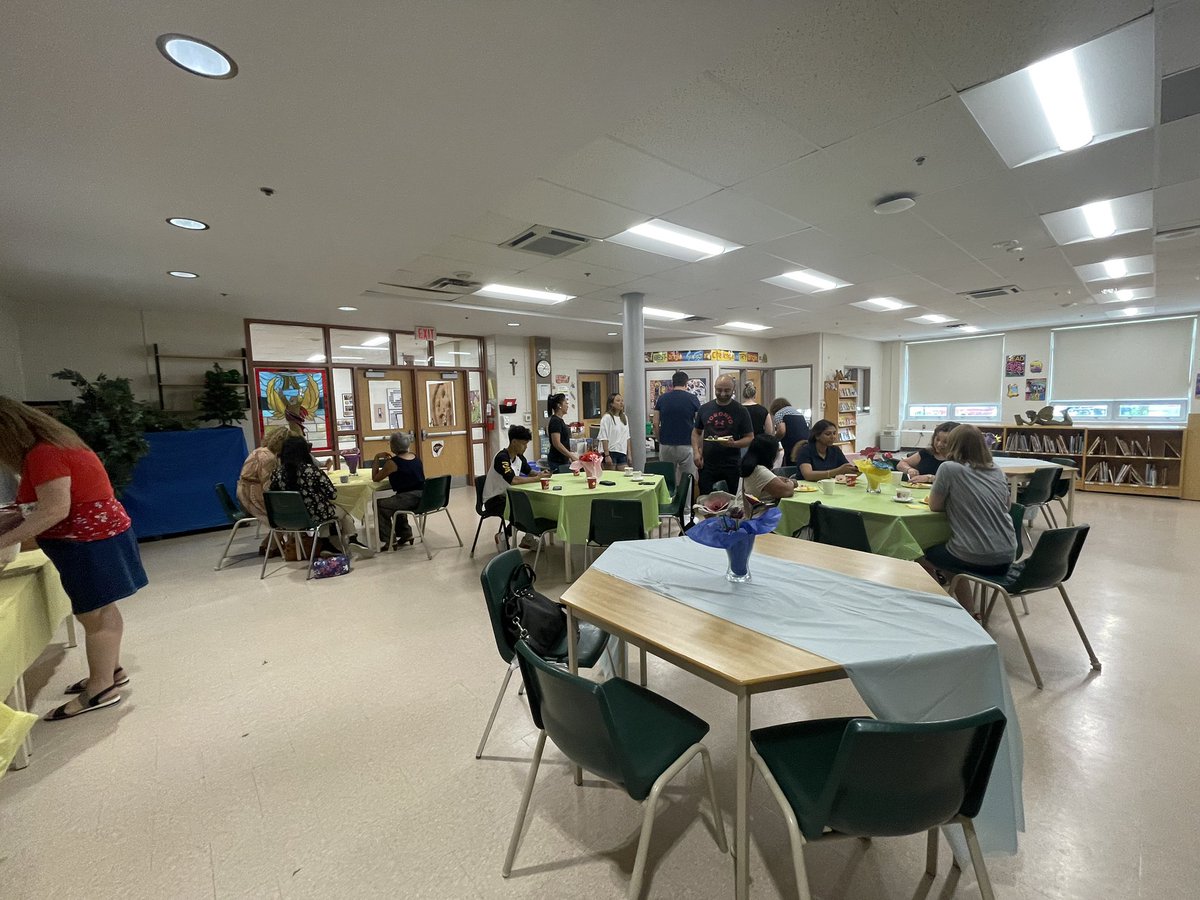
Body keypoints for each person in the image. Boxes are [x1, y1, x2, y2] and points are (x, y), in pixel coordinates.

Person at [0, 397, 147, 721]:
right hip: (94, 539)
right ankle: (109, 671)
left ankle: (101, 689)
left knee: (95, 615)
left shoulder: (45, 453)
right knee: (98, 611)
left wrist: (5, 540)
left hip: (88, 543)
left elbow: (54, 509)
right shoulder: (58, 445)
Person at [920, 424, 1018, 611]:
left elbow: (935, 505)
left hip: (974, 557)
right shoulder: (996, 470)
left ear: (954, 444)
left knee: (916, 552)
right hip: (1007, 555)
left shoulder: (949, 468)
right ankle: (969, 610)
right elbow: (1007, 506)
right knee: (952, 553)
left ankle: (944, 604)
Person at [269, 436, 363, 553]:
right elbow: (332, 494)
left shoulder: (276, 474)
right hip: (314, 515)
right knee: (341, 511)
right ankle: (350, 539)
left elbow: (273, 492)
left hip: (285, 518)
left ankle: (328, 544)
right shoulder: (312, 471)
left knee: (326, 512)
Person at [692, 375, 753, 495]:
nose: (723, 393)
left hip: (731, 465)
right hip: (708, 464)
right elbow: (696, 432)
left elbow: (750, 438)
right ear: (714, 388)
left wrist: (734, 444)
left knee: (730, 500)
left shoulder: (741, 410)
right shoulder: (704, 408)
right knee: (705, 499)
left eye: (727, 390)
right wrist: (696, 452)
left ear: (733, 390)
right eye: (719, 390)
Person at [482, 424, 542, 545]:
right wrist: (536, 479)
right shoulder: (502, 458)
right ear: (514, 442)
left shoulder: (519, 457)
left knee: (532, 505)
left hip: (507, 496)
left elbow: (530, 472)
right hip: (494, 500)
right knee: (522, 509)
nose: (526, 447)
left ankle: (527, 539)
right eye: (523, 444)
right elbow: (513, 480)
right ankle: (504, 536)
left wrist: (542, 475)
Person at [236, 425, 289, 555]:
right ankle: (271, 548)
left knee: (282, 514)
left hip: (244, 490)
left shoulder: (259, 451)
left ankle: (266, 545)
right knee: (285, 516)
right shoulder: (268, 457)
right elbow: (267, 485)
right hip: (253, 494)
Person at [372, 431, 424, 550]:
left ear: (393, 446)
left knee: (380, 505)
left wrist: (376, 458)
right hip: (423, 497)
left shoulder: (392, 463)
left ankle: (389, 540)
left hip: (409, 499)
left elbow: (375, 478)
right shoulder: (416, 458)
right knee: (396, 500)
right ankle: (406, 533)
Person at [653, 371, 701, 492]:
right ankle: (685, 504)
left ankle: (667, 501)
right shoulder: (693, 399)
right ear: (686, 383)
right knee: (687, 480)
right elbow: (699, 426)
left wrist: (660, 439)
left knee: (667, 480)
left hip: (666, 444)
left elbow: (655, 423)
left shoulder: (662, 399)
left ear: (672, 383)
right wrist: (699, 447)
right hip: (687, 444)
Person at [739, 434, 796, 501]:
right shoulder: (760, 470)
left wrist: (776, 479)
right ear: (770, 453)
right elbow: (787, 491)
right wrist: (790, 482)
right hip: (760, 507)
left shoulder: (751, 467)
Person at [768, 397, 811, 466]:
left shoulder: (779, 414)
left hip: (791, 443)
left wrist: (774, 440)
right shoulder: (799, 413)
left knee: (790, 463)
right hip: (805, 441)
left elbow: (781, 431)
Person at [545, 393, 577, 473]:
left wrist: (568, 456)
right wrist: (571, 456)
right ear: (559, 405)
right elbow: (557, 443)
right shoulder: (555, 421)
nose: (567, 406)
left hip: (563, 459)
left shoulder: (560, 420)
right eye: (566, 403)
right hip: (557, 461)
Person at [597, 393, 630, 469]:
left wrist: (629, 454)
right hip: (610, 451)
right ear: (611, 404)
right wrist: (607, 455)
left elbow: (627, 437)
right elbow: (604, 437)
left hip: (621, 451)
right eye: (618, 401)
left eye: (622, 401)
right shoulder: (607, 418)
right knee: (611, 474)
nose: (621, 403)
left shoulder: (624, 418)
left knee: (624, 473)